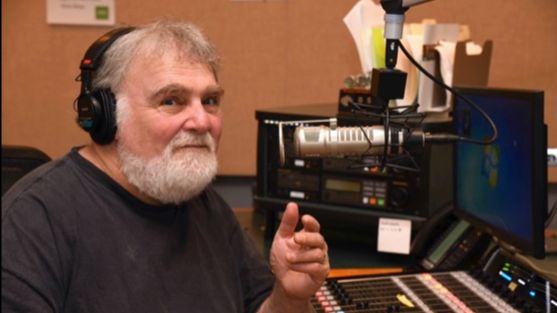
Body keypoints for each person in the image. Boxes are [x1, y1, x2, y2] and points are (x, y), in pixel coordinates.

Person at [1, 19, 329, 313]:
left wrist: (290, 297)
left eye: (210, 101)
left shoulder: (207, 207)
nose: (202, 121)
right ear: (107, 115)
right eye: (171, 101)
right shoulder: (32, 221)